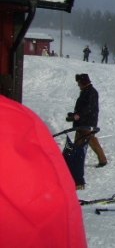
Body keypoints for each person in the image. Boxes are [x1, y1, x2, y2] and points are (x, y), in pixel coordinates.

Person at [0, 95, 87, 248]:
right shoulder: (21, 118)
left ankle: (101, 160)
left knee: (84, 143)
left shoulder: (17, 120)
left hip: (85, 125)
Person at [71, 74, 107, 173]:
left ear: (84, 82)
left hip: (87, 122)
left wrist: (78, 115)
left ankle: (102, 160)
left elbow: (88, 108)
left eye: (79, 83)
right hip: (83, 122)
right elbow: (83, 107)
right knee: (80, 141)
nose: (78, 85)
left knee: (89, 140)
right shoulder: (86, 91)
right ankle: (75, 161)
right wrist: (74, 114)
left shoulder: (91, 92)